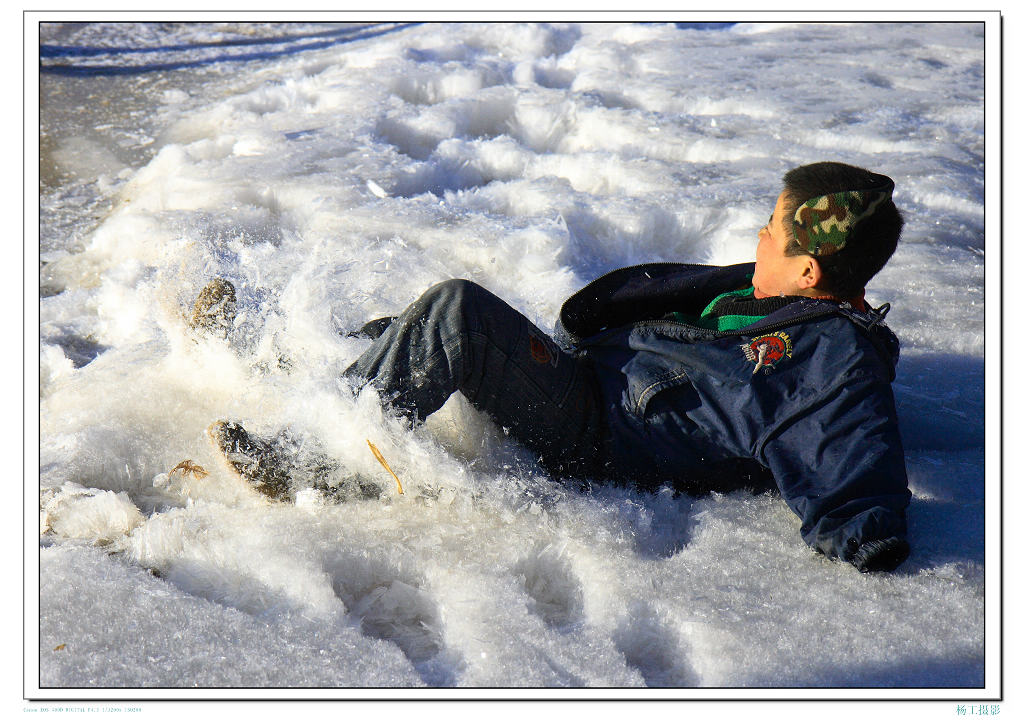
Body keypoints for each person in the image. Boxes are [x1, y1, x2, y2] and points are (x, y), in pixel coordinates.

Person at [200, 161, 912, 573]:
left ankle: (318, 462)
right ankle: (271, 352)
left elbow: (853, 448)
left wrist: (866, 527)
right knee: (409, 335)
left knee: (458, 317)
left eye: (771, 230)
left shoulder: (835, 362)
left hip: (598, 428)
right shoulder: (791, 300)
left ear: (810, 267)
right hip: (597, 379)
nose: (757, 236)